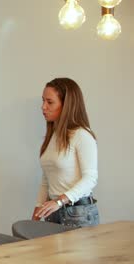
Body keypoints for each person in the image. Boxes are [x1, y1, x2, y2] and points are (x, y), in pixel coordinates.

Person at [33, 78, 99, 227]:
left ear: (67, 105)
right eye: (43, 101)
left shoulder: (82, 135)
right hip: (53, 213)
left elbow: (90, 178)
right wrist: (36, 214)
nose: (43, 107)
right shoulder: (52, 136)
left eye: (50, 102)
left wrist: (60, 200)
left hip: (78, 214)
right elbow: (46, 179)